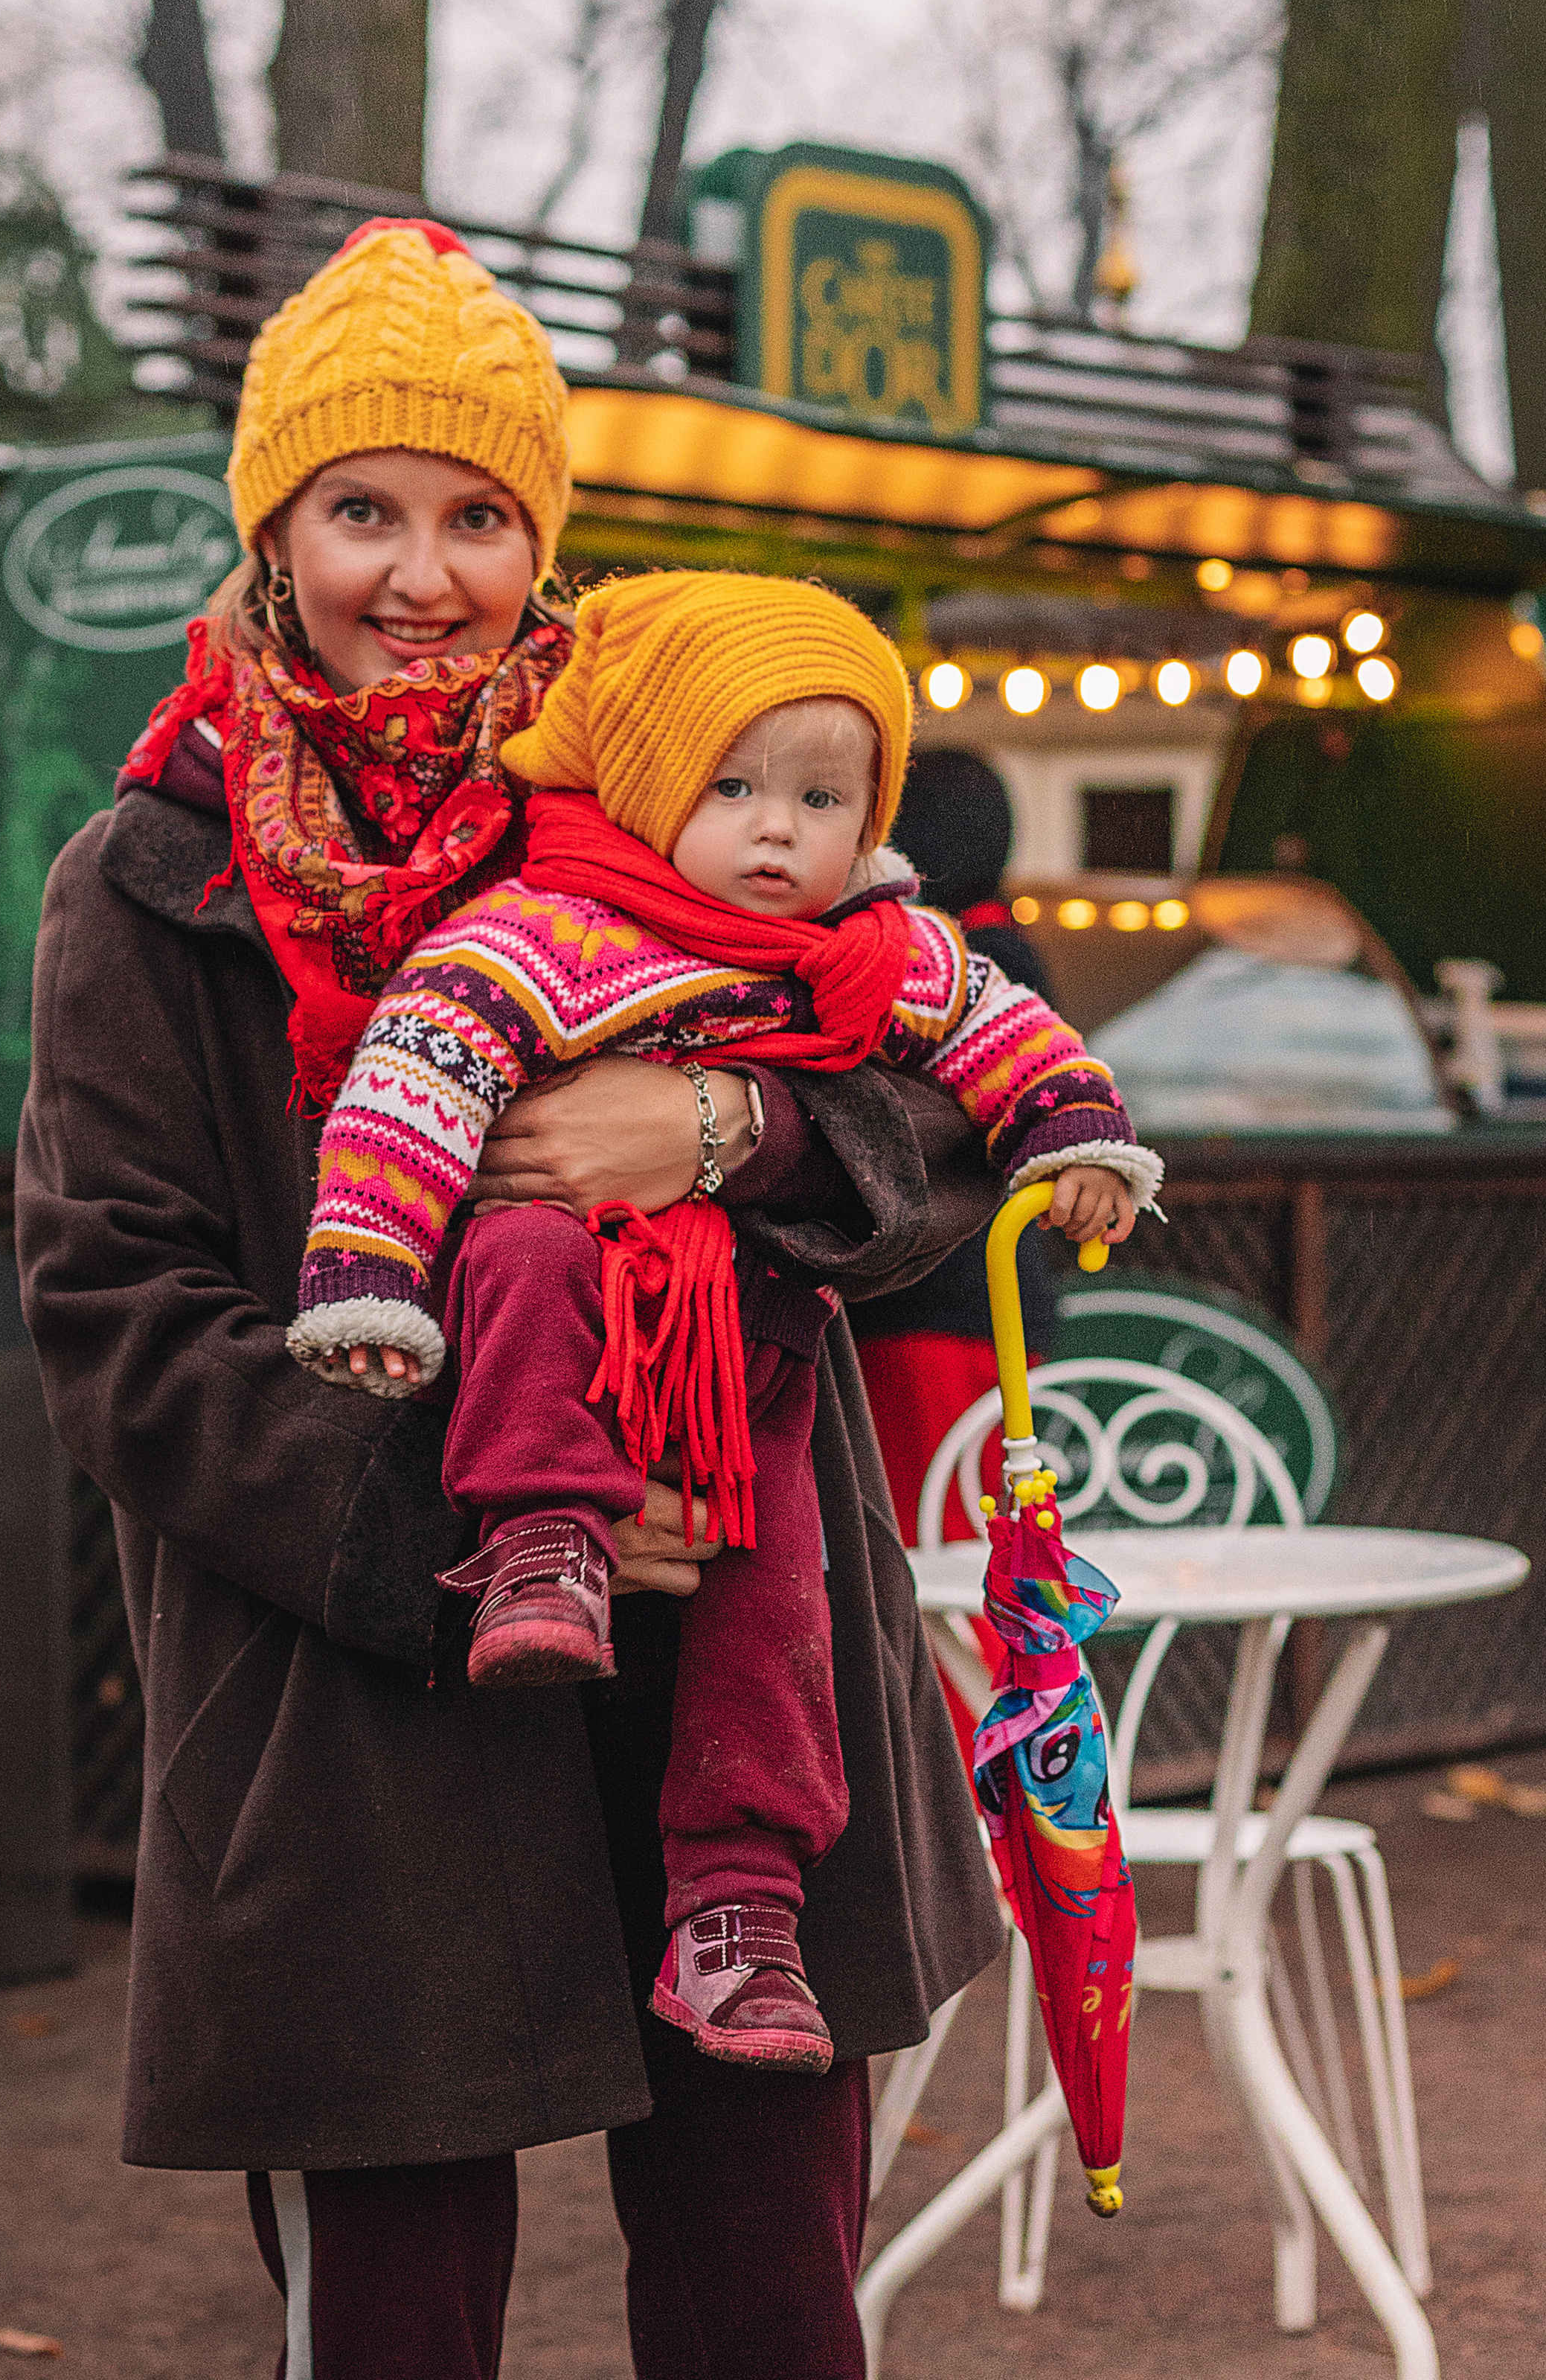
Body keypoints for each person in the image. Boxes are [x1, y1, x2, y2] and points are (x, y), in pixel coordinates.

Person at [15, 218, 1015, 2380]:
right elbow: (114, 1312)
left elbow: (953, 1089)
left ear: (536, 539)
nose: (422, 569)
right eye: (363, 506)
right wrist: (448, 1513)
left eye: (479, 514)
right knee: (395, 2312)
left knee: (765, 2288)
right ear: (272, 526)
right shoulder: (147, 874)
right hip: (361, 1669)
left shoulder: (680, 766)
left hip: (727, 1628)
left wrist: (724, 1134)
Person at [286, 572, 1161, 2076]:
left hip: (741, 1362)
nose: (777, 828)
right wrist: (365, 1264)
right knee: (526, 1250)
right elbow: (415, 1075)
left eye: (822, 797)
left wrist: (1073, 1137)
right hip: (565, 1331)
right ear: (645, 785)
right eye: (735, 785)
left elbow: (1002, 1031)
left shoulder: (872, 952)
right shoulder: (550, 927)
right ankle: (540, 1533)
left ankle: (739, 1908)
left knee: (776, 1625)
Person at [852, 746, 1071, 1546]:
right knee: (979, 1540)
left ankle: (976, 1684)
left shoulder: (963, 967)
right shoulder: (1012, 951)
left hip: (933, 1306)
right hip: (989, 1305)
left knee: (938, 1551)